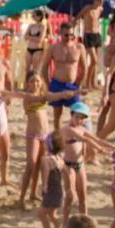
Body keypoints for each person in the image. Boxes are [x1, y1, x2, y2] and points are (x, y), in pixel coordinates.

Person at [17, 71, 79, 208]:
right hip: (32, 135)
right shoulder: (28, 97)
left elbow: (49, 96)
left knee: (39, 165)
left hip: (45, 136)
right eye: (32, 81)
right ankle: (21, 198)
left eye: (38, 81)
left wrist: (71, 94)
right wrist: (63, 94)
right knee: (30, 166)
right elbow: (45, 98)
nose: (35, 83)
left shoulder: (43, 95)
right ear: (27, 83)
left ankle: (33, 193)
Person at [58, 102, 112, 225]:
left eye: (82, 118)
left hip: (80, 164)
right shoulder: (67, 129)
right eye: (77, 117)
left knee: (83, 196)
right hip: (68, 165)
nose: (79, 120)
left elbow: (96, 139)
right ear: (71, 115)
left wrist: (112, 146)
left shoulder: (82, 128)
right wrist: (102, 150)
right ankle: (65, 223)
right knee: (70, 196)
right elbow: (85, 140)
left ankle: (85, 222)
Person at [38, 23, 84, 130]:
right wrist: (49, 83)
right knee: (57, 115)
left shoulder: (79, 47)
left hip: (72, 85)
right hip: (57, 83)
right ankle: (58, 138)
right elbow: (44, 67)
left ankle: (74, 136)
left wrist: (79, 84)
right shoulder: (53, 48)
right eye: (66, 35)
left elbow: (84, 68)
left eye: (71, 35)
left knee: (77, 113)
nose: (69, 37)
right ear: (60, 34)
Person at [37, 132, 65, 228]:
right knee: (53, 214)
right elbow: (66, 173)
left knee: (42, 214)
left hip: (50, 191)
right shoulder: (60, 159)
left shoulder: (46, 159)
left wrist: (44, 187)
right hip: (58, 191)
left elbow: (45, 175)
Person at [75, 0, 103, 91]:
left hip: (97, 35)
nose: (101, 2)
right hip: (88, 35)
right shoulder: (87, 8)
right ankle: (87, 83)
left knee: (95, 62)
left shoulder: (100, 9)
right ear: (95, 0)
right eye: (100, 1)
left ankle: (93, 82)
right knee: (93, 60)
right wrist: (74, 23)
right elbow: (78, 16)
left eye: (102, 1)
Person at [24, 8, 49, 74]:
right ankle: (27, 83)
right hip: (29, 48)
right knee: (27, 68)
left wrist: (30, 37)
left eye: (34, 15)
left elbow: (40, 39)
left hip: (37, 49)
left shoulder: (42, 27)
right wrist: (35, 38)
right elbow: (25, 37)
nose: (33, 17)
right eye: (32, 16)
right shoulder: (31, 25)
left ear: (39, 16)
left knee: (36, 69)